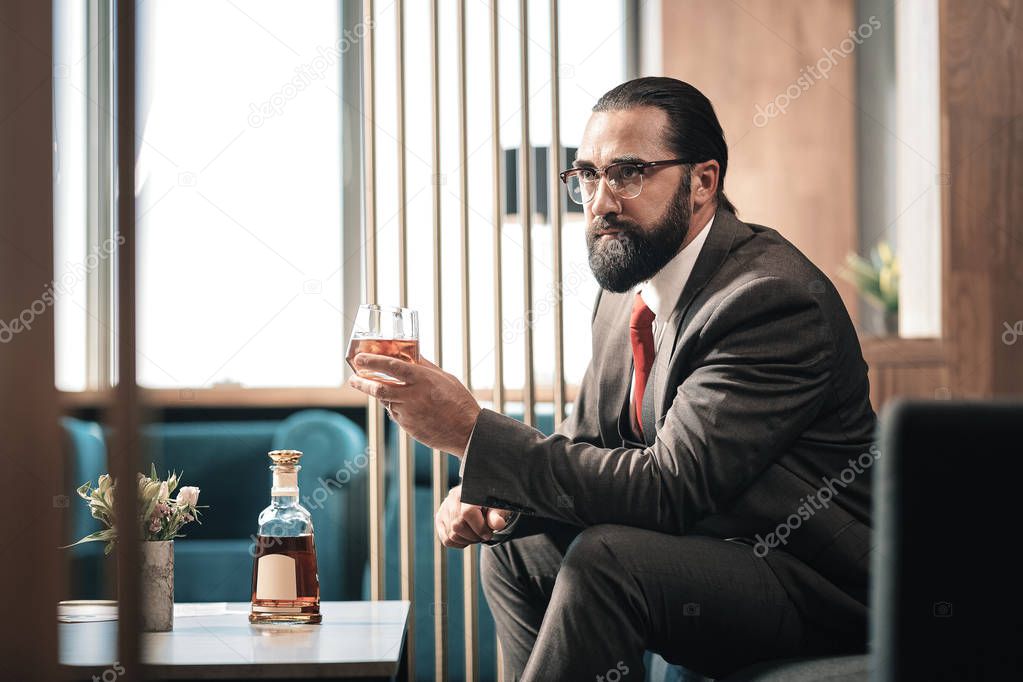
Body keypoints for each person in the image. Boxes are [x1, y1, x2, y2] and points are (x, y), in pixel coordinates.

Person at [348, 76, 875, 681]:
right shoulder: (627, 294)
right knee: (516, 552)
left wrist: (470, 432)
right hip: (716, 549)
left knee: (607, 560)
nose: (600, 201)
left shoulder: (769, 299)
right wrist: (499, 500)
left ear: (703, 182)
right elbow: (592, 447)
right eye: (587, 176)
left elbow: (670, 487)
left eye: (627, 173)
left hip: (812, 578)